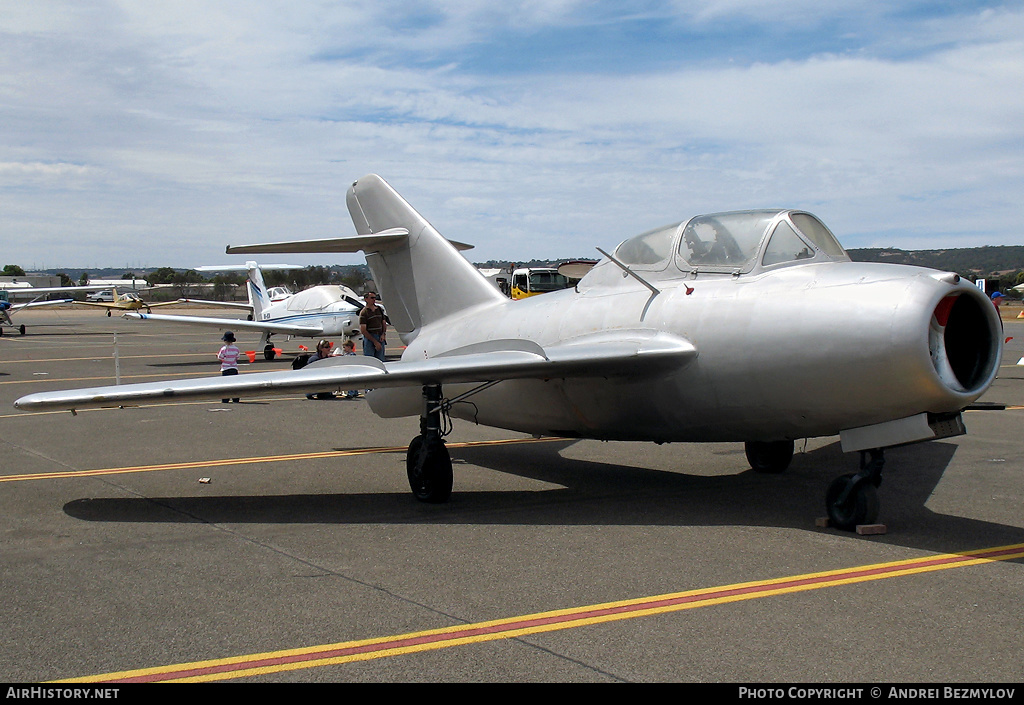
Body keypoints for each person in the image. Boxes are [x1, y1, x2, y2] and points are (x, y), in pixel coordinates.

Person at [359, 292, 387, 361]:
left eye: (375, 298)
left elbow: (383, 322)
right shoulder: (364, 312)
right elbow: (363, 330)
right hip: (370, 338)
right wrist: (375, 342)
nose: (374, 299)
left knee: (381, 359)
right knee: (370, 360)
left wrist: (383, 334)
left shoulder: (379, 309)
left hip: (380, 336)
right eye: (372, 298)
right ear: (366, 299)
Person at [218, 331, 240, 403]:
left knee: (225, 385)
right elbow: (237, 357)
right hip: (234, 368)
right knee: (235, 384)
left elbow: (220, 357)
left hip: (226, 368)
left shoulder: (223, 349)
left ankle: (225, 399)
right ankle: (236, 398)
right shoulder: (236, 349)